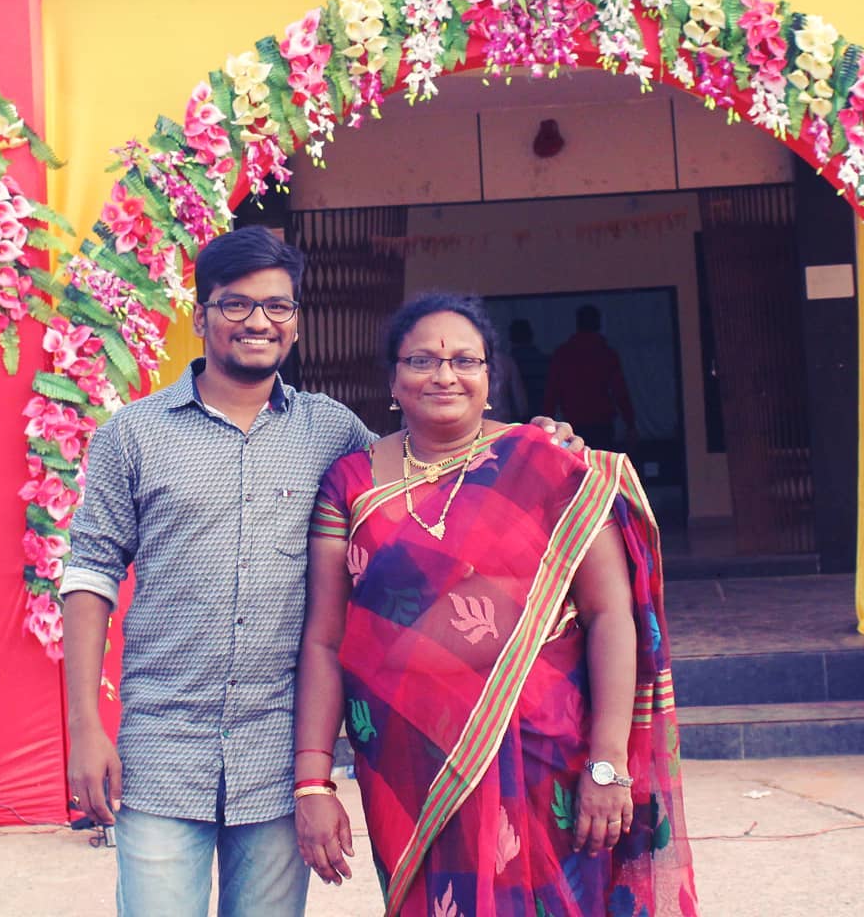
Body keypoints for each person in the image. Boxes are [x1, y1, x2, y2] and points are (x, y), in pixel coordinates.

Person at [61, 228, 581, 917]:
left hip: (276, 755)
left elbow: (430, 483)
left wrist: (531, 447)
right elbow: (90, 574)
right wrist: (85, 729)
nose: (258, 322)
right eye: (236, 304)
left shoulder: (333, 434)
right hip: (161, 747)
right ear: (200, 316)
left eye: (277, 307)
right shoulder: (132, 435)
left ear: (296, 320)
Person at [294, 293, 698, 916]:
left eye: (465, 359)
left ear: (491, 377)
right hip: (410, 764)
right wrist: (313, 779)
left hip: (548, 752)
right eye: (422, 360)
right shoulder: (350, 482)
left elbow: (610, 615)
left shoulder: (550, 464)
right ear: (393, 380)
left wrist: (608, 764)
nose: (444, 374)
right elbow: (325, 638)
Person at [542, 304, 637, 452]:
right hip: (601, 422)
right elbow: (620, 391)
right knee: (601, 465)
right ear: (598, 324)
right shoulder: (606, 353)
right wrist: (630, 424)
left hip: (574, 421)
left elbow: (552, 392)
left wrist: (546, 425)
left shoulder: (563, 354)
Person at [508, 318, 550, 423]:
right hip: (543, 414)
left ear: (511, 337)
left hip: (516, 420)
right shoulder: (544, 360)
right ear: (531, 335)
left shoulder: (505, 363)